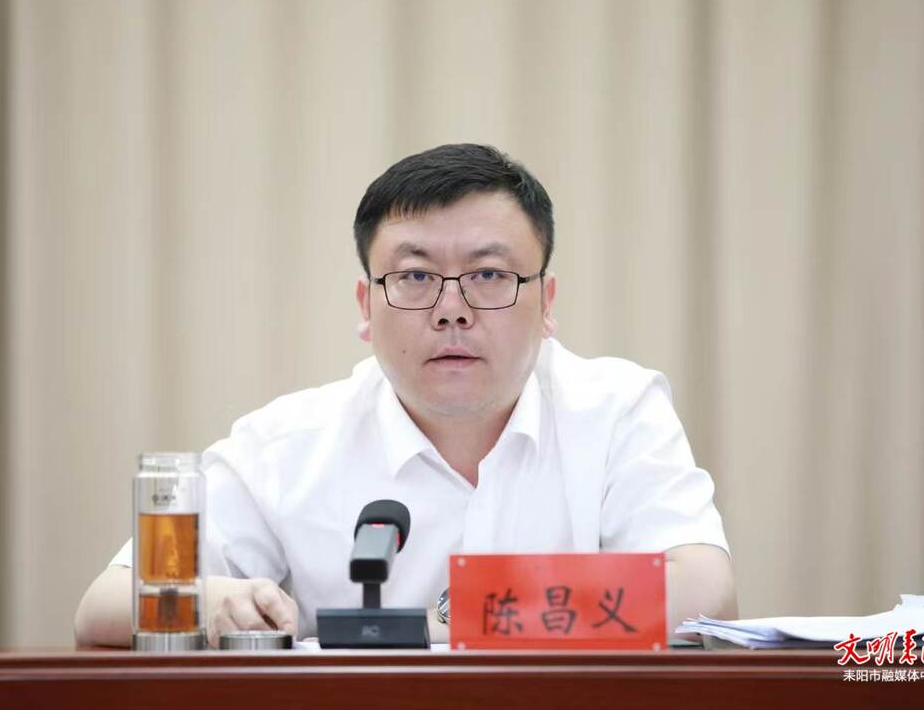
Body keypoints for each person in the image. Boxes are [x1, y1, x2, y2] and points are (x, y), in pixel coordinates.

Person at [74, 143, 737, 648]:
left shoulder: (617, 411)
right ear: (367, 305)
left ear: (547, 302)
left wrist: (438, 623)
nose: (452, 309)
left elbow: (704, 592)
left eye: (488, 274)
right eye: (416, 276)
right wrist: (210, 600)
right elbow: (103, 604)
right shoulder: (286, 445)